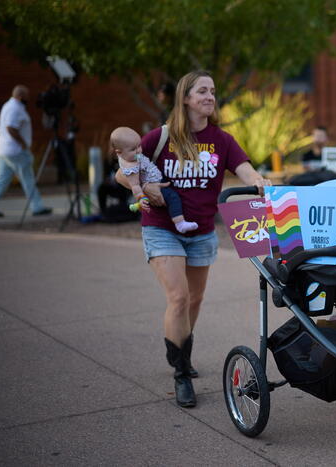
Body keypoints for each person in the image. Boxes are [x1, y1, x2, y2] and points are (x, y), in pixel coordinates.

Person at [116, 70, 271, 408]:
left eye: (213, 91)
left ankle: (180, 346)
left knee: (195, 300)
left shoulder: (222, 140)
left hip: (201, 230)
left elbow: (245, 168)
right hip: (161, 227)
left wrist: (260, 181)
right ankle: (182, 373)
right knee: (179, 297)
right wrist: (142, 187)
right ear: (185, 98)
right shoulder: (160, 138)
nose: (210, 97)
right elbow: (121, 170)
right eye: (202, 91)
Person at [111, 126, 198, 233]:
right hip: (154, 185)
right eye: (133, 149)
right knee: (173, 197)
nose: (139, 151)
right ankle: (180, 223)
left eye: (139, 146)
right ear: (119, 152)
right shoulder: (130, 167)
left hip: (157, 177)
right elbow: (135, 186)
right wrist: (142, 198)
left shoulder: (128, 156)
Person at [0, 85, 53, 217]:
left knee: (2, 178)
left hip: (3, 149)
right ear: (20, 96)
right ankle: (37, 207)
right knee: (28, 178)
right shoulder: (15, 109)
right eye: (26, 97)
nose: (28, 99)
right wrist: (23, 144)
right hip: (15, 150)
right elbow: (10, 128)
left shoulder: (7, 106)